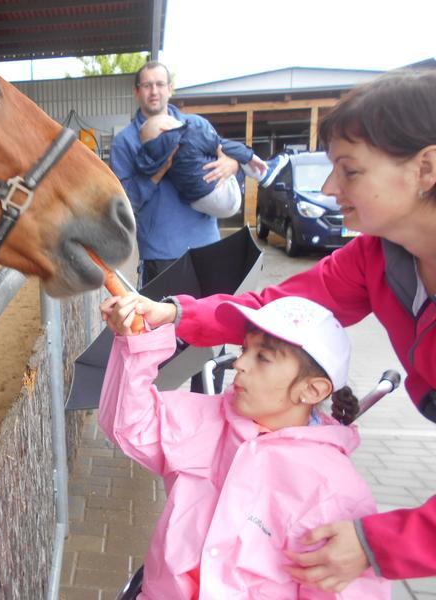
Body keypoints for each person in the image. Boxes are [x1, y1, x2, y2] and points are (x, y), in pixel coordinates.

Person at [103, 69, 436, 589]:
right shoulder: (376, 257)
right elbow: (272, 310)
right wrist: (176, 314)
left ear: (426, 168)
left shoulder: (324, 486)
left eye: (349, 171)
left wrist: (382, 543)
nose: (329, 188)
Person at [99, 296, 391, 599]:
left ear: (312, 389)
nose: (239, 363)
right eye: (244, 350)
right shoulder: (209, 420)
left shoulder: (333, 489)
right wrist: (136, 343)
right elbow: (130, 425)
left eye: (262, 357)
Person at [110, 60, 258, 286]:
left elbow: (225, 158)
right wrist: (158, 171)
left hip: (208, 247)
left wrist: (233, 166)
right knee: (163, 311)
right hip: (161, 255)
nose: (154, 91)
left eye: (160, 84)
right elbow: (124, 204)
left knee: (212, 310)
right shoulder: (124, 142)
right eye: (147, 85)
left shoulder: (196, 124)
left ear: (170, 89)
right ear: (136, 92)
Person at [137, 111, 268, 219]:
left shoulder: (153, 155)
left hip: (195, 201)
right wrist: (249, 155)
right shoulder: (191, 132)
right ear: (165, 128)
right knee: (240, 158)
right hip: (221, 195)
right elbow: (221, 145)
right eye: (172, 120)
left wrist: (232, 165)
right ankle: (264, 174)